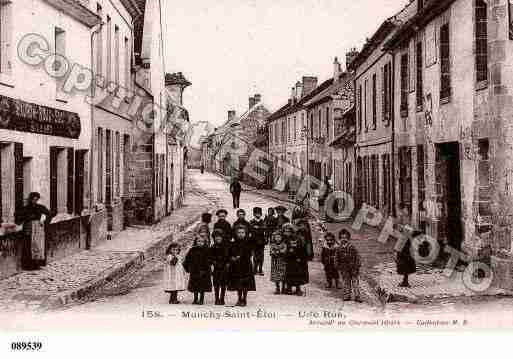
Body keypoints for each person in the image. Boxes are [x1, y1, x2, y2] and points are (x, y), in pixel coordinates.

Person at [14, 192, 52, 270]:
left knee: (38, 246)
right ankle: (28, 265)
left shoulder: (40, 207)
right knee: (28, 246)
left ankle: (37, 264)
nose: (34, 200)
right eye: (33, 199)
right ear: (30, 199)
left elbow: (49, 214)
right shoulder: (25, 208)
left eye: (36, 199)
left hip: (38, 230)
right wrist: (24, 219)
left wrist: (43, 219)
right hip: (28, 229)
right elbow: (18, 217)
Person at [227, 225, 256, 306]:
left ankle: (244, 299)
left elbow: (250, 253)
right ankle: (239, 298)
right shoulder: (233, 243)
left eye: (242, 232)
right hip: (236, 266)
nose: (240, 234)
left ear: (245, 233)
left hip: (245, 265)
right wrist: (232, 258)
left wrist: (241, 256)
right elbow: (229, 253)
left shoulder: (248, 242)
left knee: (245, 283)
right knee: (238, 283)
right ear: (236, 233)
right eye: (239, 232)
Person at [183, 233, 213, 305]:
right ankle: (195, 299)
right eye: (198, 241)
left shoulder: (207, 250)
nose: (200, 243)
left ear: (205, 242)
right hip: (194, 271)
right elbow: (187, 260)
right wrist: (187, 268)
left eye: (202, 241)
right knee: (195, 286)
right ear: (196, 242)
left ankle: (201, 299)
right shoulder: (192, 250)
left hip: (204, 271)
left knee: (202, 286)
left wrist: (207, 268)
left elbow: (210, 260)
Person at [336, 229, 361, 302]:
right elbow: (336, 258)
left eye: (345, 238)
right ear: (340, 239)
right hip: (344, 269)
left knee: (355, 283)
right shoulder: (338, 248)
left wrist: (357, 266)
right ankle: (347, 295)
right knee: (346, 282)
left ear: (349, 239)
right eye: (342, 238)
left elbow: (357, 257)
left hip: (353, 268)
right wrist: (337, 266)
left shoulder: (352, 247)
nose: (344, 239)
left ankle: (357, 296)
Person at [395, 206, 417, 288]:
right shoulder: (403, 218)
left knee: (405, 262)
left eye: (405, 210)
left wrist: (404, 228)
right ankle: (405, 280)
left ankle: (405, 281)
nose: (404, 212)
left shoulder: (410, 220)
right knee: (402, 262)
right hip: (403, 243)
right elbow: (399, 228)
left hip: (407, 244)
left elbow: (412, 230)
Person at [284, 227, 308, 296]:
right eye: (286, 231)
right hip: (289, 259)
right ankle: (289, 288)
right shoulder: (286, 239)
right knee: (289, 274)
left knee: (297, 274)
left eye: (288, 231)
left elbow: (301, 249)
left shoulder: (298, 239)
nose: (287, 233)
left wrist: (299, 257)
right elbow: (285, 249)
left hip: (296, 259)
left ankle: (298, 289)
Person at [210, 229, 230, 305]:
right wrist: (214, 262)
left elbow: (228, 256)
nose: (218, 238)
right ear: (214, 238)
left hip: (224, 268)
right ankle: (216, 298)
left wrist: (227, 263)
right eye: (216, 237)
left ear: (222, 237)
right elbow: (210, 257)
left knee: (223, 284)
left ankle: (222, 298)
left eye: (219, 237)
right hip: (216, 268)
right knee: (216, 284)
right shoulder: (213, 247)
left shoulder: (226, 246)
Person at [250, 207, 267, 275]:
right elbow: (251, 229)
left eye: (259, 213)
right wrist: (258, 229)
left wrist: (257, 228)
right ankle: (255, 269)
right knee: (255, 256)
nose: (258, 215)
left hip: (261, 242)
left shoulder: (263, 221)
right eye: (256, 213)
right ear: (254, 214)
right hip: (254, 241)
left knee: (261, 256)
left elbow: (264, 229)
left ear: (261, 214)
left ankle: (260, 269)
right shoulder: (251, 221)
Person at [269, 230, 287, 294]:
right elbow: (271, 252)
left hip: (282, 262)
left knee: (283, 274)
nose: (278, 239)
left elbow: (284, 251)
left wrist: (277, 251)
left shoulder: (284, 244)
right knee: (276, 275)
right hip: (275, 262)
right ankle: (277, 287)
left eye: (279, 237)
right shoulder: (272, 245)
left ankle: (283, 287)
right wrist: (276, 252)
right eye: (276, 237)